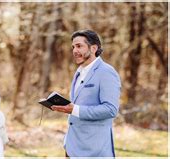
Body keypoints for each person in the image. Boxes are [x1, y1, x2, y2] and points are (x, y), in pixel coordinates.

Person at [51, 29, 121, 157]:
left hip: (94, 150)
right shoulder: (79, 72)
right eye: (73, 47)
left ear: (93, 48)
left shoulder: (106, 72)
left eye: (79, 46)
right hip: (72, 147)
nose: (74, 51)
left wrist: (74, 109)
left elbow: (111, 109)